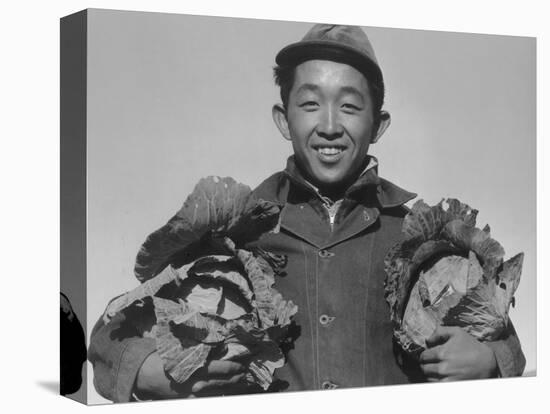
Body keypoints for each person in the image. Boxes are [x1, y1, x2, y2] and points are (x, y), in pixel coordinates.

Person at [88, 24, 525, 402]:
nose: (330, 124)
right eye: (310, 103)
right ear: (283, 119)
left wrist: (490, 360)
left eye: (350, 106)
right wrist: (150, 368)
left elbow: (503, 343)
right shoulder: (233, 234)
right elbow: (113, 333)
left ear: (378, 124)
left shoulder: (419, 242)